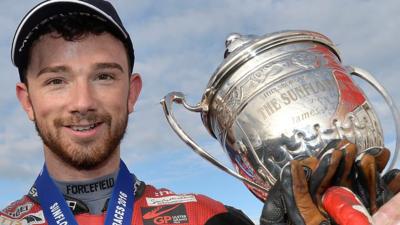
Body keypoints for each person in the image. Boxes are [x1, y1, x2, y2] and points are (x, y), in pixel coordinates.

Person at [0, 0, 254, 224]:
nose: (83, 102)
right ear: (28, 102)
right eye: (56, 81)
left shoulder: (209, 218)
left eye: (103, 76)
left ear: (131, 93)